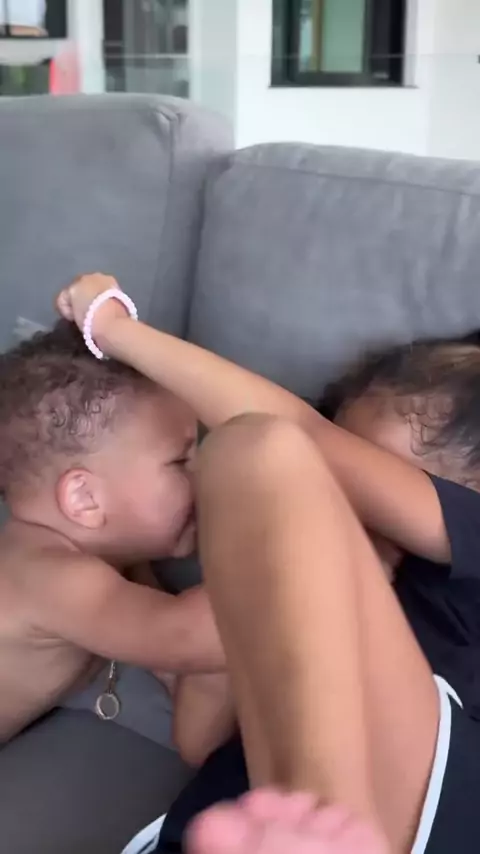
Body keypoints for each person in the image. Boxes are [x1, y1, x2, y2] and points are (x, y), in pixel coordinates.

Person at [53, 276, 480, 854]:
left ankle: (325, 817)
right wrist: (242, 590)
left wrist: (112, 328)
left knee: (254, 451)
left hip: (428, 807)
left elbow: (295, 436)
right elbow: (200, 740)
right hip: (230, 827)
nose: (332, 506)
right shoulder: (302, 586)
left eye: (364, 481)